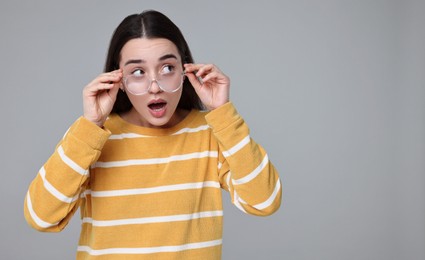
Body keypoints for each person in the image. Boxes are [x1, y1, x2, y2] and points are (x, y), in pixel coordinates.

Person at [24, 10, 282, 259]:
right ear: (119, 80)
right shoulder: (92, 137)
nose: (155, 86)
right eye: (138, 72)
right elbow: (41, 217)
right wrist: (90, 125)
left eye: (167, 68)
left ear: (185, 70)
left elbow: (264, 201)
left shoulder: (211, 133)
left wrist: (224, 114)